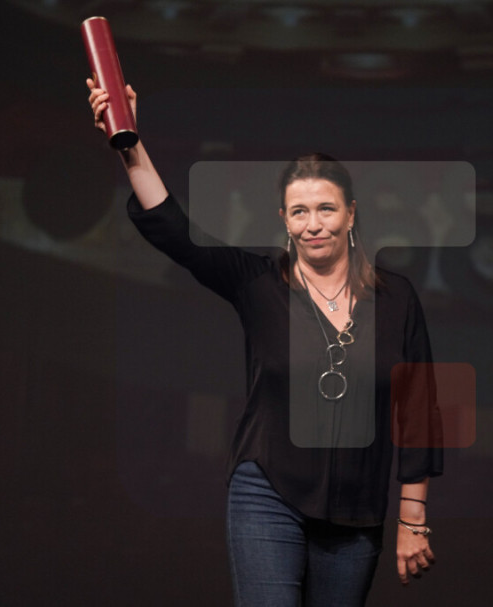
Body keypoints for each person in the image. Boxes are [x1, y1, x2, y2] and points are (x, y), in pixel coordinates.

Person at [87, 81, 443, 606]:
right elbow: (176, 233)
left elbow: (418, 411)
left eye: (326, 209)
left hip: (356, 512)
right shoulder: (257, 283)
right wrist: (130, 144)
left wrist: (413, 517)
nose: (313, 224)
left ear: (350, 214)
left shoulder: (397, 298)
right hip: (268, 491)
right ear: (284, 220)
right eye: (299, 212)